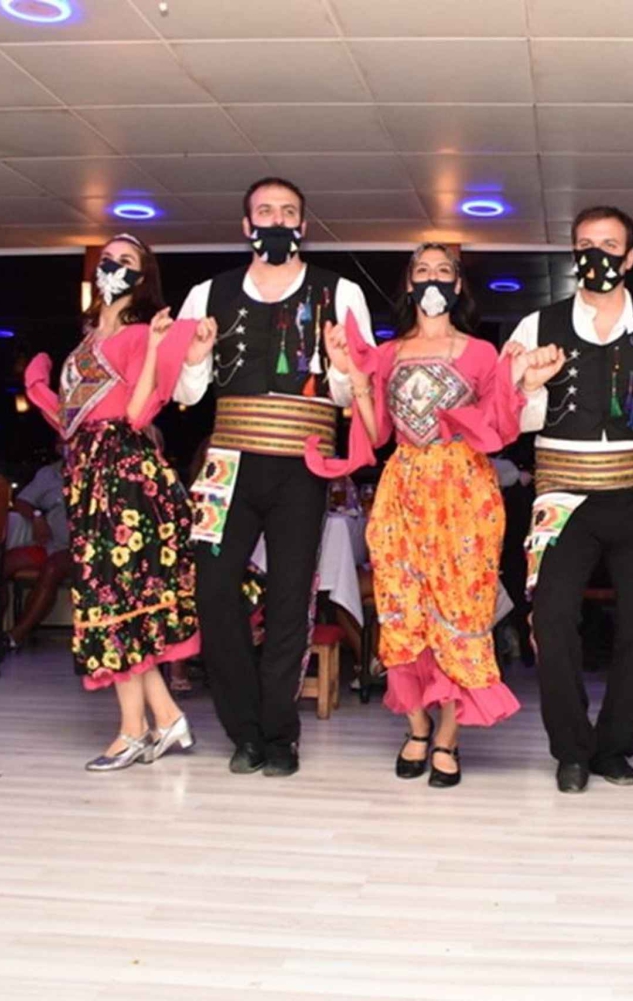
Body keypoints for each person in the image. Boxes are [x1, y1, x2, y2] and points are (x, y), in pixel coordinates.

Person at [172, 176, 375, 778]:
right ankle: (244, 728)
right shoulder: (207, 293)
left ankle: (279, 732)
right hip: (226, 462)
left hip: (302, 462)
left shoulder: (340, 292)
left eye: (288, 211)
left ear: (303, 225)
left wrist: (342, 366)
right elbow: (186, 393)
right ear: (247, 225)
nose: (277, 220)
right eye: (265, 211)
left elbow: (353, 393)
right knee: (213, 590)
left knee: (291, 598)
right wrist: (194, 357)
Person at [307, 243, 532, 787]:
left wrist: (519, 378)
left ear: (458, 284)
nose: (434, 278)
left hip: (465, 492)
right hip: (403, 489)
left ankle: (449, 737)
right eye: (423, 270)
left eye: (444, 270)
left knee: (461, 613)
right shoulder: (388, 353)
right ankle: (416, 726)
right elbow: (377, 432)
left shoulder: (482, 353)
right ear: (409, 284)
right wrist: (355, 376)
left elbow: (501, 427)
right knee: (401, 609)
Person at [504, 205, 633, 794]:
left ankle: (614, 747)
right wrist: (528, 384)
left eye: (610, 245)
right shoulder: (535, 326)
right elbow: (512, 422)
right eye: (586, 243)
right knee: (553, 619)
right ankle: (570, 748)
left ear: (630, 257)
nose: (598, 254)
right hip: (559, 493)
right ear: (573, 253)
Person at [24, 233, 209, 772]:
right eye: (109, 259)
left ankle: (134, 731)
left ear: (143, 277)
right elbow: (70, 418)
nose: (115, 267)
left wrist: (153, 349)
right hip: (88, 474)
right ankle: (166, 719)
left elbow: (136, 412)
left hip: (124, 474)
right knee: (113, 599)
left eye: (128, 261)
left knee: (114, 599)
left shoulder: (139, 333)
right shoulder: (85, 342)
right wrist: (39, 388)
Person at [3, 450, 72, 649]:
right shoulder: (49, 474)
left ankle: (15, 636)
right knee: (4, 563)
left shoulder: (100, 472)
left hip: (80, 551)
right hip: (51, 544)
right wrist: (37, 516)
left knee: (52, 568)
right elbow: (22, 501)